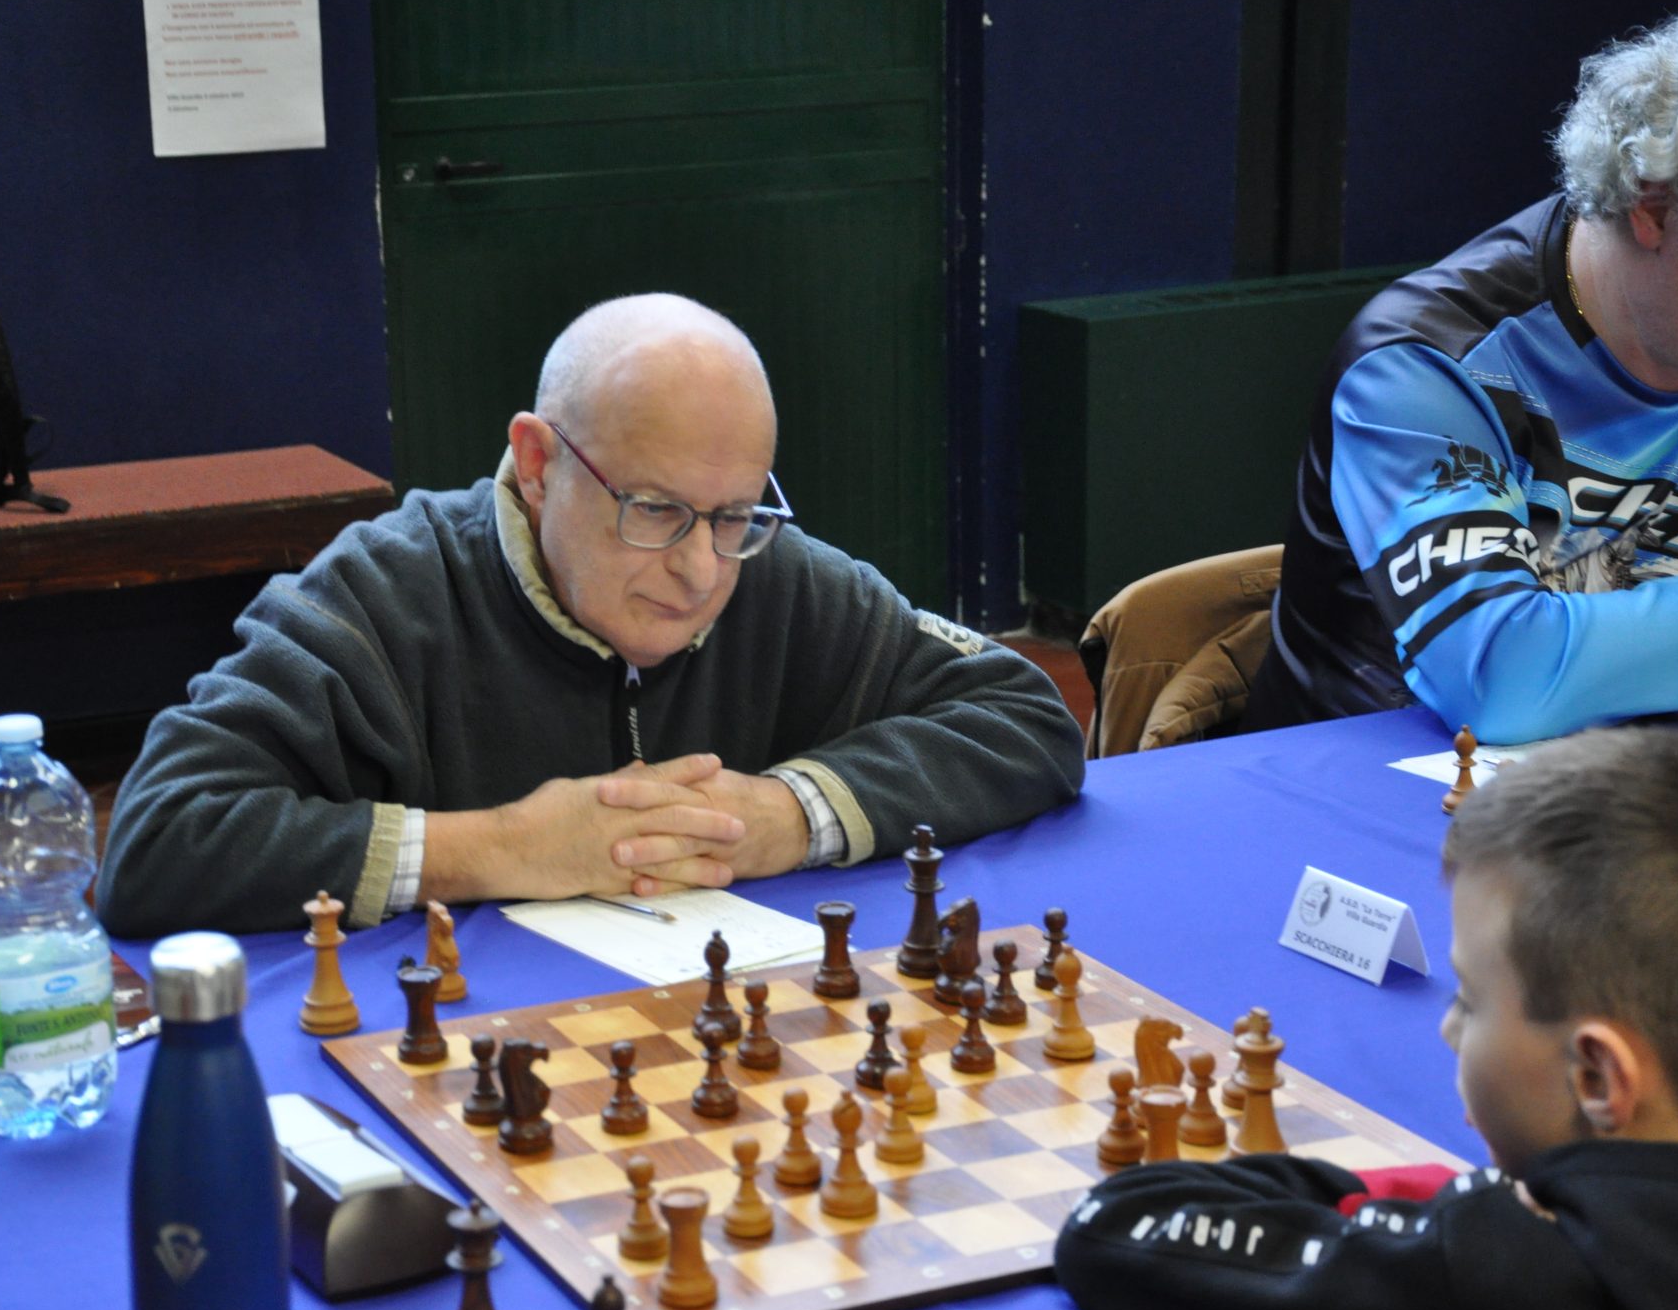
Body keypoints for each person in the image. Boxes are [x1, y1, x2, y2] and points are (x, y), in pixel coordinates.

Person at [96, 294, 1084, 936]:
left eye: (735, 512)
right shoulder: (383, 594)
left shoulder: (775, 575)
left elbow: (1026, 715)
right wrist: (501, 847)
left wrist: (788, 816)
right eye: (652, 509)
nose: (701, 568)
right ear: (538, 464)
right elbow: (155, 841)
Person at [1053, 726, 1678, 1310]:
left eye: (1470, 998)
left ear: (1596, 1077)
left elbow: (1108, 1227)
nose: (1448, 1028)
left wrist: (1436, 1201)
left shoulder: (1492, 1273)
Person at [1247, 0, 1678, 743]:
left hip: (1644, 778)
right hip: (1396, 803)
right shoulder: (1420, 365)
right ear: (1650, 205)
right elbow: (1502, 676)